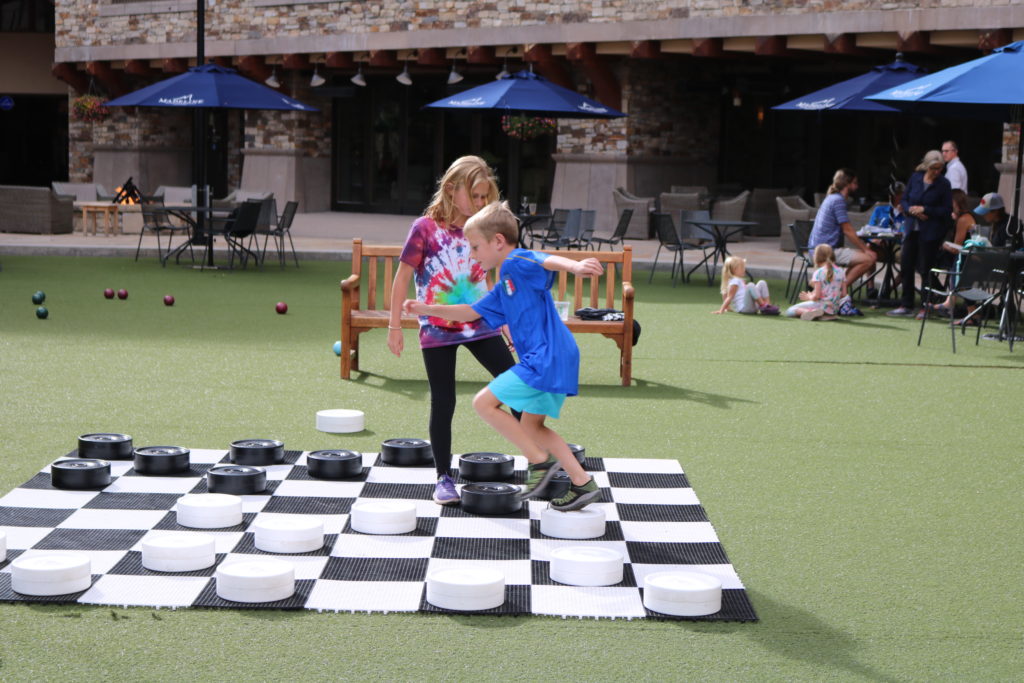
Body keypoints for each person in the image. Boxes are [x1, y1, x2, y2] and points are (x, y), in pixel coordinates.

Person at [403, 201, 604, 512]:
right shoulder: (502, 286)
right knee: (533, 427)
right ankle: (582, 483)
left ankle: (539, 462)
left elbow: (543, 259)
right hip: (555, 356)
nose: (471, 255)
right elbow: (470, 311)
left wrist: (574, 267)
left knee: (482, 403)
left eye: (475, 247)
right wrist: (426, 309)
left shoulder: (514, 262)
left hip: (545, 357)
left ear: (497, 241)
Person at [387, 156, 518, 506]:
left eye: (484, 197)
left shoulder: (483, 229)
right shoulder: (425, 229)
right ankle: (443, 477)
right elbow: (402, 278)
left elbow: (489, 278)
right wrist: (394, 325)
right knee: (443, 402)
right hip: (437, 330)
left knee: (518, 386)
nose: (480, 203)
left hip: (481, 323)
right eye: (475, 196)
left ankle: (541, 460)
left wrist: (504, 322)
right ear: (450, 190)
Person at [888, 150, 953, 317]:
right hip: (911, 229)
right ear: (926, 166)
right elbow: (904, 199)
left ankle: (926, 305)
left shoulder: (944, 184)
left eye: (940, 168)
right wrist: (912, 210)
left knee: (925, 269)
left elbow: (946, 210)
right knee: (906, 265)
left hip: (930, 232)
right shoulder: (916, 178)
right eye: (934, 168)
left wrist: (925, 209)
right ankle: (906, 304)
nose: (936, 172)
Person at [808, 168, 878, 289]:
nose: (857, 186)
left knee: (865, 255)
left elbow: (846, 229)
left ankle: (833, 287)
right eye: (855, 183)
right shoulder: (838, 200)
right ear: (847, 184)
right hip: (826, 251)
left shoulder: (831, 198)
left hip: (817, 248)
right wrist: (866, 250)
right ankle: (836, 291)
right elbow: (847, 230)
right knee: (869, 259)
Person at [785, 244, 847, 321]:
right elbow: (844, 294)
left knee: (790, 310)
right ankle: (826, 315)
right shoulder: (841, 271)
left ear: (817, 257)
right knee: (822, 306)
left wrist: (809, 297)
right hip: (834, 309)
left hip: (820, 306)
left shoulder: (819, 272)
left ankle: (810, 312)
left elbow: (816, 297)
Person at [712, 256, 779, 315]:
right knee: (750, 285)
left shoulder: (738, 280)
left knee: (762, 282)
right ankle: (763, 306)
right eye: (742, 268)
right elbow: (729, 296)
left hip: (750, 306)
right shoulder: (735, 281)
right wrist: (722, 310)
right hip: (744, 308)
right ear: (734, 269)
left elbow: (725, 295)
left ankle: (768, 306)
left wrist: (728, 308)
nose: (744, 269)